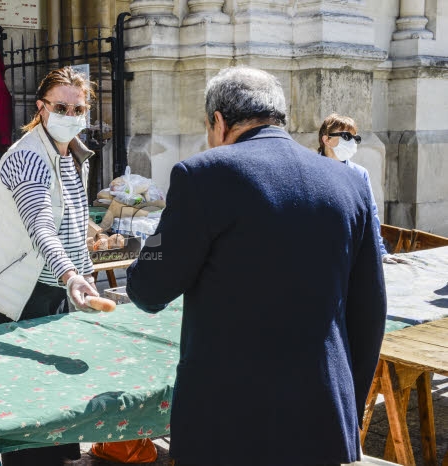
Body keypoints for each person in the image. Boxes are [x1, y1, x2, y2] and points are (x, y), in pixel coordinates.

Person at [125, 66, 387, 466]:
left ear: (218, 122)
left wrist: (156, 238)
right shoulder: (347, 181)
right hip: (324, 412)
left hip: (228, 421)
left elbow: (149, 287)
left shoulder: (201, 175)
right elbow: (370, 310)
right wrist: (347, 400)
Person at [0, 66, 99, 465]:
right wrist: (71, 274)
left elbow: (73, 220)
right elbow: (40, 223)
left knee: (54, 390)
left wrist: (86, 270)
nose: (71, 115)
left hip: (55, 285)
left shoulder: (74, 152)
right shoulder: (27, 158)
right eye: (61, 106)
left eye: (79, 108)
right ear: (41, 108)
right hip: (17, 290)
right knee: (29, 397)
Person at [318, 113, 403, 264]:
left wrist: (381, 253)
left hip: (351, 254)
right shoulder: (311, 170)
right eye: (346, 136)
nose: (352, 142)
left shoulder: (360, 173)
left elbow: (371, 214)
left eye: (355, 138)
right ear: (326, 139)